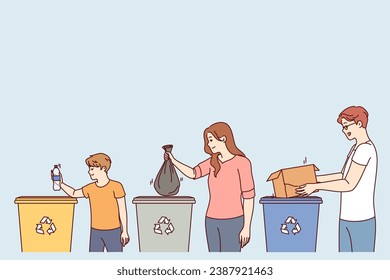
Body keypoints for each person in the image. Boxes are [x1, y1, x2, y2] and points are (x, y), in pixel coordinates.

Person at [296, 106, 377, 252]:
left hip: (362, 219)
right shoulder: (355, 148)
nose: (344, 130)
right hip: (346, 217)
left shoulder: (365, 150)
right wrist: (315, 180)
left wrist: (314, 187)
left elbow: (348, 184)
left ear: (359, 124)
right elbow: (342, 175)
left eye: (346, 126)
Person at [165, 122, 255, 252]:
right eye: (208, 141)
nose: (209, 144)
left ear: (223, 138)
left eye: (211, 140)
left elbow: (249, 197)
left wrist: (246, 227)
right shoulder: (212, 163)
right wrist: (173, 160)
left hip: (233, 221)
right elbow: (193, 173)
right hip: (211, 221)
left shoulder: (242, 163)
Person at [58, 153, 130, 252]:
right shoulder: (90, 188)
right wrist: (61, 184)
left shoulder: (116, 186)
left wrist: (124, 231)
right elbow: (74, 193)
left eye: (92, 169)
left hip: (114, 231)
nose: (89, 171)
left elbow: (122, 210)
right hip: (95, 231)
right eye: (89, 169)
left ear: (103, 168)